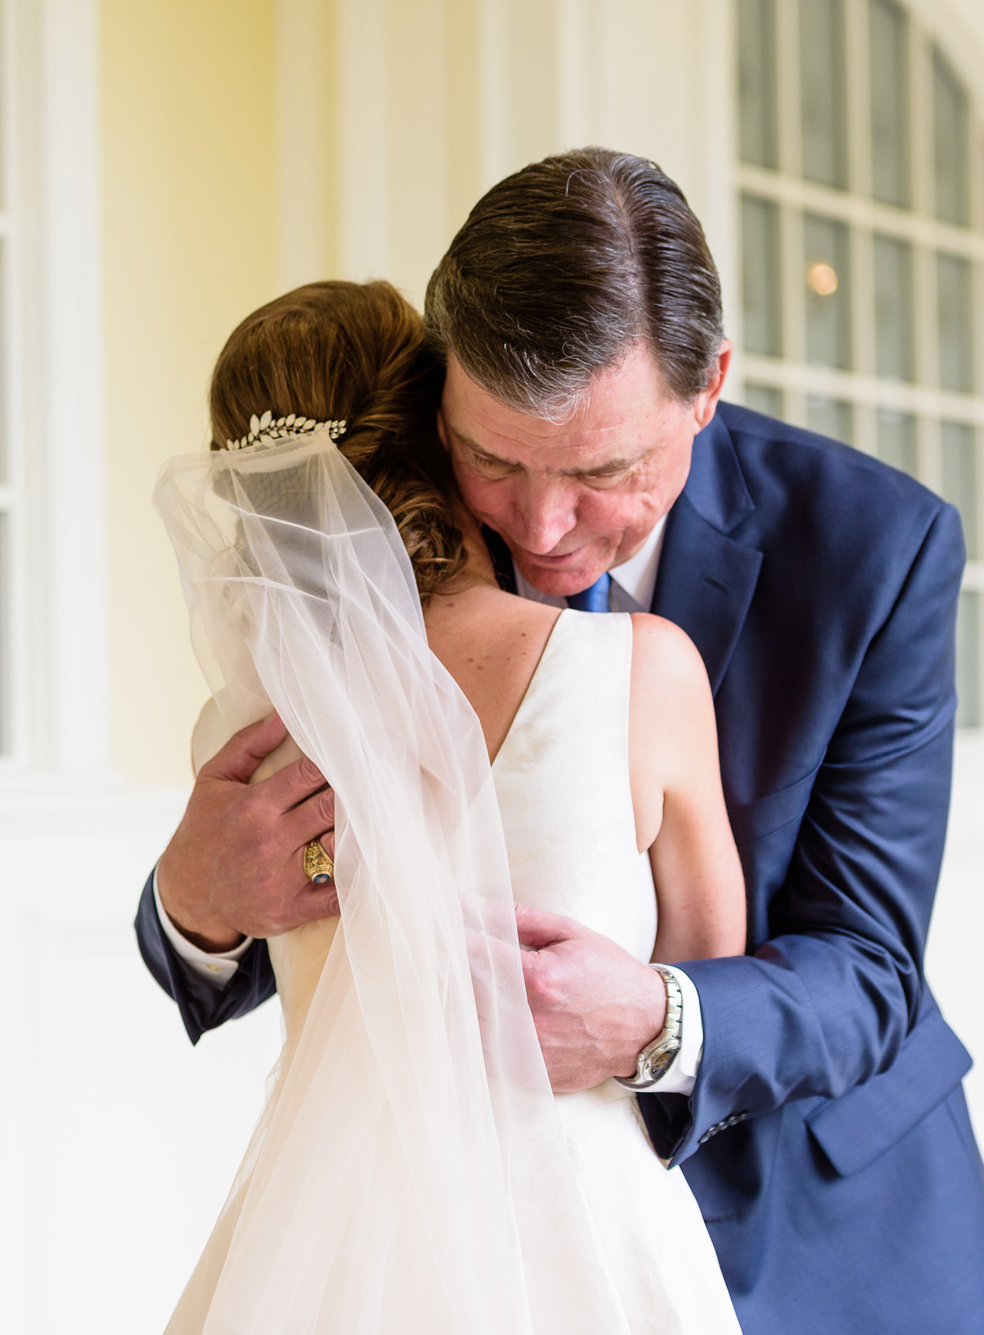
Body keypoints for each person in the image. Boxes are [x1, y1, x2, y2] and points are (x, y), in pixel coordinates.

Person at [137, 148, 984, 1334]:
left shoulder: (874, 548)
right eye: (494, 462)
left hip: (824, 1233)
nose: (546, 528)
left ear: (705, 385)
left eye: (605, 473)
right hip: (465, 1260)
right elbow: (341, 922)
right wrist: (193, 904)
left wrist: (655, 1021)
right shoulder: (379, 549)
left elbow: (868, 968)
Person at [151, 278, 746, 1331]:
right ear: (441, 434)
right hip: (575, 1231)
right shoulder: (633, 677)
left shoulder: (232, 729)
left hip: (317, 1247)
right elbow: (708, 970)